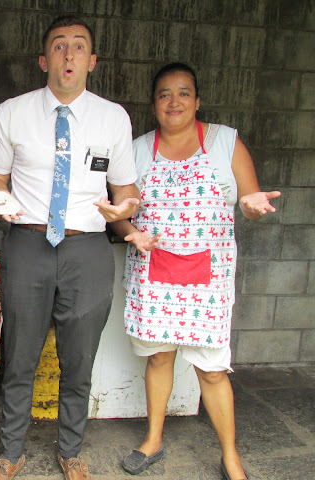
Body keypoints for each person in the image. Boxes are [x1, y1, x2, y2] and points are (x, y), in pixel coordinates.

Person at [0, 15, 140, 480]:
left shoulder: (113, 117)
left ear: (92, 60)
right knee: (19, 356)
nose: (69, 55)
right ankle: (11, 452)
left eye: (79, 46)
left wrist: (125, 211)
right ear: (43, 59)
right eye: (59, 45)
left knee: (78, 359)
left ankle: (71, 450)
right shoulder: (13, 111)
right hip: (27, 243)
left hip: (87, 249)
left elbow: (127, 190)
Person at [112, 63, 280, 480]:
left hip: (208, 278)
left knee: (212, 370)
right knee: (158, 358)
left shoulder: (225, 143)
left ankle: (230, 457)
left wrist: (251, 207)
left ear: (198, 100)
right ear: (154, 103)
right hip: (154, 270)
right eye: (165, 94)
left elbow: (250, 200)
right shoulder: (137, 150)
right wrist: (130, 231)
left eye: (184, 93)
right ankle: (153, 440)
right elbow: (119, 214)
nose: (175, 102)